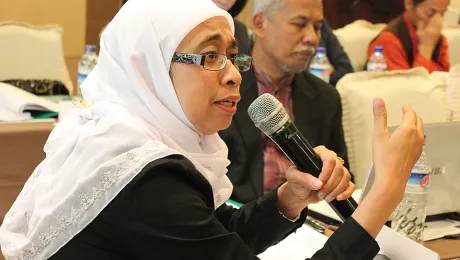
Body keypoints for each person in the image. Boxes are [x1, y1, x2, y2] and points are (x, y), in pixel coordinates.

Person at [0, 0, 425, 259]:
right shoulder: (140, 180)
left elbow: (214, 236)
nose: (234, 75)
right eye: (209, 57)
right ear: (148, 71)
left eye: (232, 56)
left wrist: (288, 198)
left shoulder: (131, 141)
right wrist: (383, 195)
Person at [219, 0, 353, 203]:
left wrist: (336, 175)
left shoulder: (326, 97)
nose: (312, 38)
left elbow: (343, 177)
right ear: (260, 24)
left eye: (317, 27)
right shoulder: (222, 87)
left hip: (309, 221)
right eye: (300, 24)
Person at [367, 0, 450, 72]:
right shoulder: (388, 41)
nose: (438, 21)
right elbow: (410, 87)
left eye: (442, 14)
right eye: (431, 13)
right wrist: (426, 48)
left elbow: (445, 78)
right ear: (409, 3)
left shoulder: (435, 36)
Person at [317, 19, 354, 86]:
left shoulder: (322, 24)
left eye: (316, 28)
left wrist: (325, 76)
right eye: (300, 25)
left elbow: (346, 69)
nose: (312, 37)